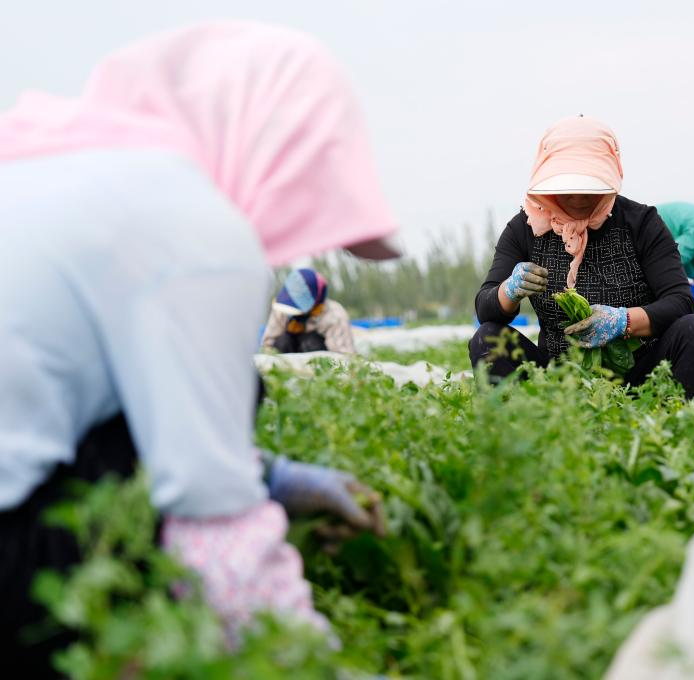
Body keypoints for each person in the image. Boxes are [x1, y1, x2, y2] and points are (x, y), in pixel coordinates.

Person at [0, 22, 397, 675]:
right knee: (241, 393)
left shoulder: (44, 166)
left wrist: (269, 476)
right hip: (18, 572)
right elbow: (218, 530)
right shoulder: (189, 222)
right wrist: (309, 661)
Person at [470, 116, 694, 398]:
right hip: (559, 378)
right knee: (488, 338)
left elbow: (680, 301)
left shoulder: (641, 223)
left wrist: (623, 322)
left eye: (589, 186)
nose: (578, 198)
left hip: (641, 375)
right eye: (567, 188)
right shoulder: (525, 229)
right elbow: (485, 308)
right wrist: (509, 290)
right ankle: (517, 431)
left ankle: (691, 432)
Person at [262, 268, 355, 354]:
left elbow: (345, 356)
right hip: (287, 360)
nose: (292, 311)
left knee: (311, 343)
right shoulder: (282, 308)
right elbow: (267, 345)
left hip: (318, 362)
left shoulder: (334, 316)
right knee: (282, 342)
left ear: (316, 300)